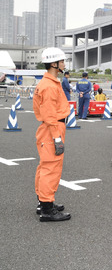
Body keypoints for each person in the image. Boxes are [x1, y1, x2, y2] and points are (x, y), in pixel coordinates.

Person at [33, 47, 71, 222]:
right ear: (54, 64)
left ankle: (43, 203)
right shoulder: (49, 86)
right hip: (52, 129)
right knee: (51, 168)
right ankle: (47, 208)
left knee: (45, 167)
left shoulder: (49, 82)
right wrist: (57, 138)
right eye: (62, 61)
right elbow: (49, 115)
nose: (64, 63)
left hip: (50, 128)